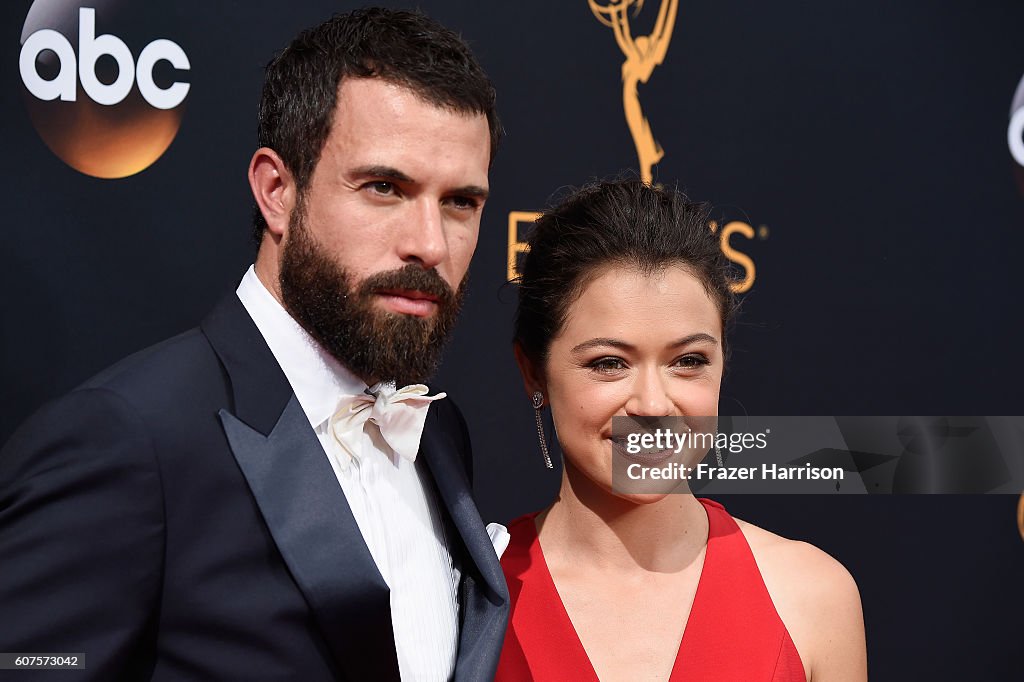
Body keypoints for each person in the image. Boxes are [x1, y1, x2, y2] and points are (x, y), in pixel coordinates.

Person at [0, 8, 507, 681]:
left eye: (461, 202)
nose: (432, 243)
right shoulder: (129, 441)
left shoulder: (438, 432)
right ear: (276, 191)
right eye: (385, 188)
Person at [498, 179, 867, 681]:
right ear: (534, 371)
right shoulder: (470, 598)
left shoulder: (812, 597)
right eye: (609, 363)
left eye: (688, 360)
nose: (652, 404)